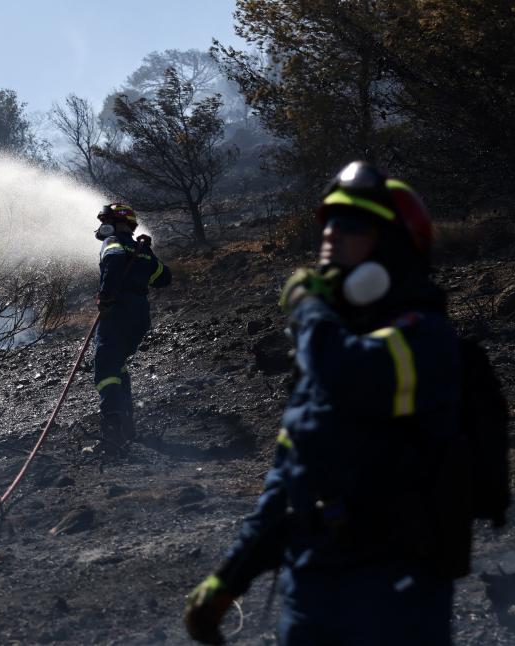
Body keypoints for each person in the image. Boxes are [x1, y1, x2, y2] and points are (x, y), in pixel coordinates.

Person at [185, 162, 462, 645]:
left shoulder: (424, 336)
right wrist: (229, 579)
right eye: (328, 222)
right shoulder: (327, 345)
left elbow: (353, 376)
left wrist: (310, 310)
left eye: (352, 224)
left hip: (395, 597)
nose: (331, 234)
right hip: (312, 592)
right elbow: (288, 481)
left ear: (392, 245)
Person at [93, 203, 171, 452]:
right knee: (118, 365)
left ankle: (112, 435)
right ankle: (127, 429)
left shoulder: (113, 241)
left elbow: (114, 264)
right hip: (139, 314)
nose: (102, 226)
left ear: (116, 222)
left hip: (118, 310)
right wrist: (146, 253)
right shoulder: (143, 250)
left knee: (106, 367)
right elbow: (163, 278)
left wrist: (105, 296)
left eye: (106, 220)